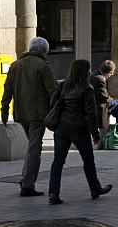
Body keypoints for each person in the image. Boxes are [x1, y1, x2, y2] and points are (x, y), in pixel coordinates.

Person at [47, 59, 112, 205]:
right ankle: (95, 188)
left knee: (57, 161)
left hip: (62, 128)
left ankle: (53, 193)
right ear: (85, 71)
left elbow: (53, 103)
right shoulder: (87, 88)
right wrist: (95, 134)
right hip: (79, 129)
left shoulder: (63, 85)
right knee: (88, 160)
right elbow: (91, 113)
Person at [1, 37, 57, 197]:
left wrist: (4, 111)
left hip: (20, 113)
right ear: (43, 51)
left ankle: (26, 178)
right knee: (34, 149)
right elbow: (52, 91)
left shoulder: (15, 65)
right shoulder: (44, 66)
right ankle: (27, 184)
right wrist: (58, 111)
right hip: (38, 114)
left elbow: (7, 91)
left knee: (32, 147)